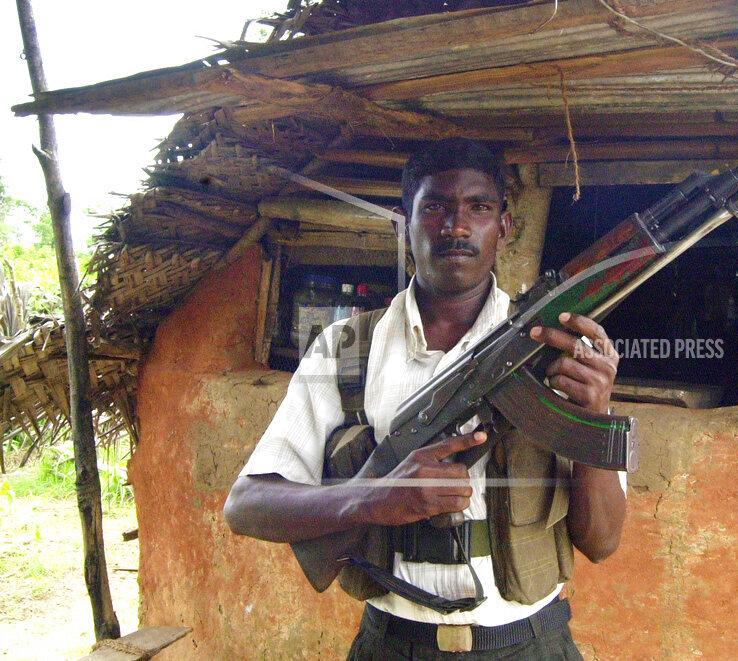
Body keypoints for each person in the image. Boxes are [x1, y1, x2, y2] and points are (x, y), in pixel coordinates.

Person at [224, 138, 627, 659]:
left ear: (504, 226)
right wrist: (375, 496)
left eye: (478, 208)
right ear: (404, 221)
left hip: (530, 643)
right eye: (435, 207)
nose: (456, 227)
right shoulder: (346, 349)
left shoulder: (554, 353)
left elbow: (602, 543)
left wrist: (594, 416)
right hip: (393, 643)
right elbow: (246, 506)